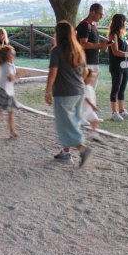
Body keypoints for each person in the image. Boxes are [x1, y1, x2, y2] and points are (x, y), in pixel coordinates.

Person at [44, 21, 94, 168]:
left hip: (63, 92)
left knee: (65, 124)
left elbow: (53, 72)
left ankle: (83, 149)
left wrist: (47, 91)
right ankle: (65, 154)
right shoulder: (78, 50)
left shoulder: (57, 51)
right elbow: (85, 73)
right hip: (79, 92)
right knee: (73, 121)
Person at [76, 3, 111, 98]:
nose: (101, 17)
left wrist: (102, 46)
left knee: (90, 93)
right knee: (85, 92)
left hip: (94, 62)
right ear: (92, 12)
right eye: (100, 14)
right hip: (86, 63)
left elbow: (93, 43)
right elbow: (83, 43)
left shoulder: (94, 25)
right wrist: (99, 45)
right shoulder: (84, 25)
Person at [108, 13, 128, 121]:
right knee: (116, 88)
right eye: (124, 21)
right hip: (116, 65)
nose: (126, 23)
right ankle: (114, 113)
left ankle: (122, 110)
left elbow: (125, 48)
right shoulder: (113, 35)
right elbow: (116, 51)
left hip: (125, 65)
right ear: (120, 22)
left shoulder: (123, 35)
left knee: (122, 88)